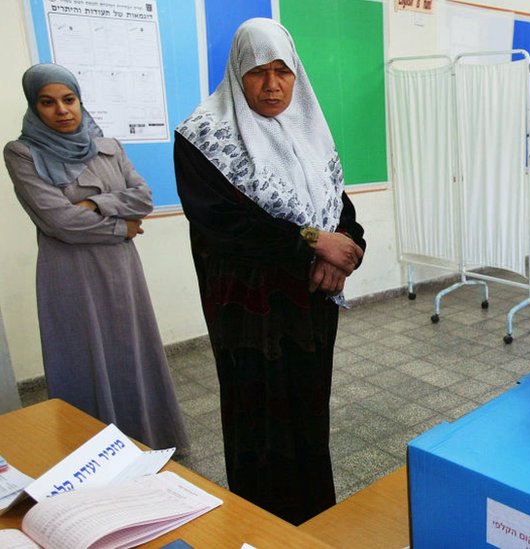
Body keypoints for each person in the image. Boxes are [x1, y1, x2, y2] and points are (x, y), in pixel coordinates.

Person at [173, 18, 365, 524]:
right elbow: (225, 225)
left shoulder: (310, 132)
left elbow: (337, 208)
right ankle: (258, 526)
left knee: (308, 413)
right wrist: (312, 246)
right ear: (238, 74)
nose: (273, 83)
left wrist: (347, 251)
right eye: (259, 71)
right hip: (248, 313)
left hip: (310, 308)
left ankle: (315, 522)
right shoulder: (203, 138)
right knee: (258, 423)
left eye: (283, 70)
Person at [4, 63, 188, 450]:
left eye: (69, 99)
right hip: (70, 274)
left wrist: (92, 202)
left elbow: (143, 197)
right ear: (34, 107)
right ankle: (89, 452)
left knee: (132, 352)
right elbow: (59, 222)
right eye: (48, 102)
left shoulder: (109, 146)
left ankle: (148, 442)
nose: (62, 110)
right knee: (82, 357)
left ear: (80, 100)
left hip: (122, 271)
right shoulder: (22, 153)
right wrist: (120, 226)